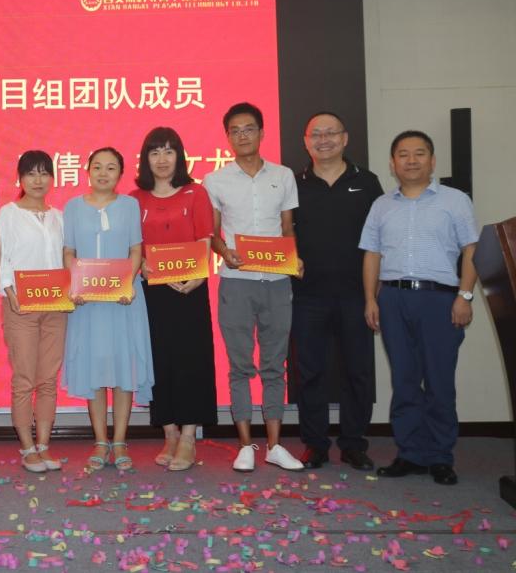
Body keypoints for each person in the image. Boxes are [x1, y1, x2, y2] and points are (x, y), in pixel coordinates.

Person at [360, 130, 478, 486]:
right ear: (392, 163)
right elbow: (372, 254)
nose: (411, 160)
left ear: (432, 160)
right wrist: (370, 299)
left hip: (440, 300)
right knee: (405, 379)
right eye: (403, 154)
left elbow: (471, 250)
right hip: (393, 299)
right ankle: (410, 453)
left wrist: (465, 296)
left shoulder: (455, 201)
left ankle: (440, 456)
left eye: (419, 153)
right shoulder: (382, 205)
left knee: (440, 381)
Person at [203, 102, 304, 473]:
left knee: (275, 365)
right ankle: (245, 444)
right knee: (240, 366)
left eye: (248, 129)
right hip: (237, 283)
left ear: (261, 133)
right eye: (235, 131)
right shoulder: (215, 180)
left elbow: (287, 227)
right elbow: (213, 233)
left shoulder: (283, 175)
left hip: (277, 282)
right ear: (227, 137)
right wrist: (224, 252)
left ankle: (275, 445)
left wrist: (294, 258)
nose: (242, 136)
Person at [291, 112, 383, 471]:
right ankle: (315, 444)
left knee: (357, 371)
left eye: (331, 133)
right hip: (307, 294)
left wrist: (375, 291)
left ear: (345, 138)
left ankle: (353, 444)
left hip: (356, 294)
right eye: (316, 134)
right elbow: (284, 231)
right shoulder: (294, 183)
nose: (323, 139)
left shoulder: (368, 182)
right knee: (309, 372)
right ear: (306, 142)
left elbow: (380, 238)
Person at [62, 147, 153, 473]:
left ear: (120, 173)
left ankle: (120, 441)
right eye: (97, 167)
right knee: (95, 370)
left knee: (123, 370)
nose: (103, 173)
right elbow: (69, 251)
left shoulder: (129, 205)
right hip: (88, 304)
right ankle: (101, 441)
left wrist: (127, 282)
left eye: (111, 167)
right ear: (88, 171)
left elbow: (135, 249)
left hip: (122, 300)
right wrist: (75, 283)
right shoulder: (73, 207)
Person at [132, 127, 217, 472]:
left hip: (189, 288)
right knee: (159, 360)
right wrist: (143, 266)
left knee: (191, 360)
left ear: (179, 156)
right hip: (153, 290)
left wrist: (199, 275)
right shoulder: (135, 199)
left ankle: (189, 436)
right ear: (146, 159)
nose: (162, 159)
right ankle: (169, 433)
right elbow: (134, 248)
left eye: (169, 151)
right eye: (155, 152)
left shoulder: (196, 193)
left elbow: (205, 238)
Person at [0, 150, 67, 473]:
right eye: (31, 173)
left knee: (48, 379)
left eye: (44, 173)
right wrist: (10, 292)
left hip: (55, 306)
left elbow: (66, 259)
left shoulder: (59, 216)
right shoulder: (8, 214)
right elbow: (1, 257)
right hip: (20, 305)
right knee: (24, 378)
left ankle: (44, 445)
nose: (38, 180)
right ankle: (27, 447)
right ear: (20, 178)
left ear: (52, 178)